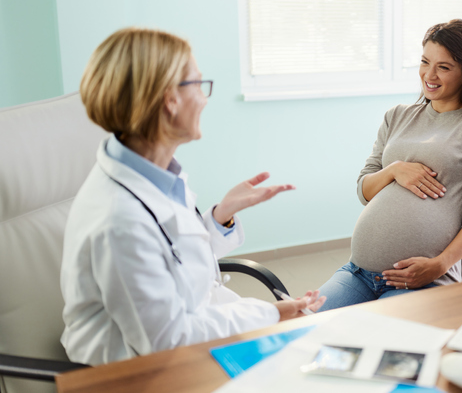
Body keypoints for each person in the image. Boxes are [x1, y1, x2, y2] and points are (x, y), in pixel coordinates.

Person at [60, 28, 324, 365]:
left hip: (191, 340)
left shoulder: (155, 172)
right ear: (170, 99)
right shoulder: (119, 219)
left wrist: (220, 217)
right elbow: (168, 341)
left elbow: (172, 258)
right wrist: (269, 313)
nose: (204, 97)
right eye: (198, 84)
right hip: (137, 372)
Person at [318, 19, 462, 311]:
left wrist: (438, 265)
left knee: (373, 343)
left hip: (425, 279)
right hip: (358, 273)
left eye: (444, 67)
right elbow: (364, 190)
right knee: (304, 325)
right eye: (424, 62)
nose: (429, 75)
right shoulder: (397, 116)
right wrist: (394, 169)